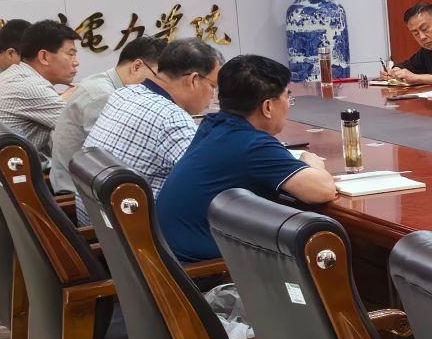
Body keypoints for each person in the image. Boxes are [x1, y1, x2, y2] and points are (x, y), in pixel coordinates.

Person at [155, 55, 338, 262]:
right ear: (267, 107)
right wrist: (311, 161)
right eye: (287, 97)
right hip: (205, 271)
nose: (288, 104)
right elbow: (323, 190)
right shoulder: (252, 144)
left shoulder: (213, 125)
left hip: (171, 262)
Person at [78, 39, 222, 225]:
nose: (213, 95)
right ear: (193, 80)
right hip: (134, 235)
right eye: (213, 86)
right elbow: (211, 185)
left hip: (97, 223)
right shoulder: (172, 118)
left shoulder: (124, 93)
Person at [49, 36, 165, 189]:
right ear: (136, 67)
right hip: (75, 191)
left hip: (85, 182)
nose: (162, 86)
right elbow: (112, 158)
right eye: (159, 77)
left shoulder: (105, 83)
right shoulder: (103, 96)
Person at [0, 19, 80, 170]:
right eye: (70, 54)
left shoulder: (14, 75)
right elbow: (82, 131)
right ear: (44, 57)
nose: (76, 62)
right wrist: (82, 96)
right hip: (13, 178)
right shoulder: (33, 87)